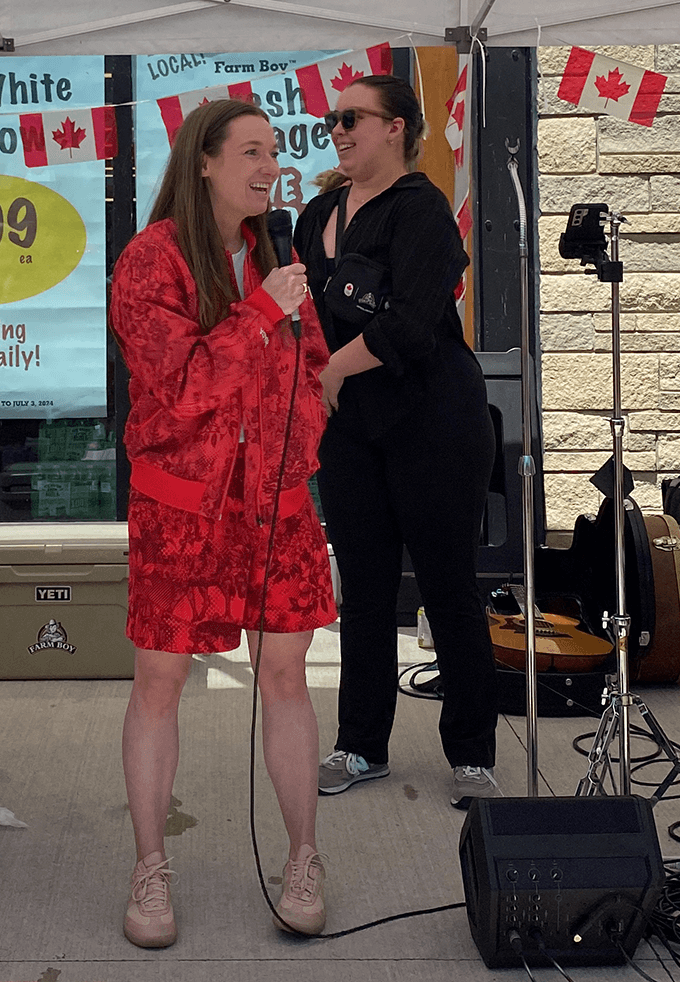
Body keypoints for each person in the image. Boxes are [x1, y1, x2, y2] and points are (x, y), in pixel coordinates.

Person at [110, 99, 337, 947]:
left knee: (285, 676)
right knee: (159, 682)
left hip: (277, 507)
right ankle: (149, 867)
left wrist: (298, 440)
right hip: (182, 511)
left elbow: (313, 365)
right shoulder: (151, 260)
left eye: (273, 152)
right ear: (202, 161)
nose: (269, 167)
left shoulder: (275, 254)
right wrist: (260, 312)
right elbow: (181, 386)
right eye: (250, 152)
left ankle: (303, 857)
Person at [292, 74, 501, 810]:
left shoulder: (422, 209)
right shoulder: (317, 212)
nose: (339, 130)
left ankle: (472, 755)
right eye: (332, 118)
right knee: (365, 591)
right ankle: (360, 744)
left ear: (397, 127)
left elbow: (410, 325)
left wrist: (328, 372)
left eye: (353, 117)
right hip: (351, 427)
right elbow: (304, 316)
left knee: (448, 589)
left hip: (433, 420)